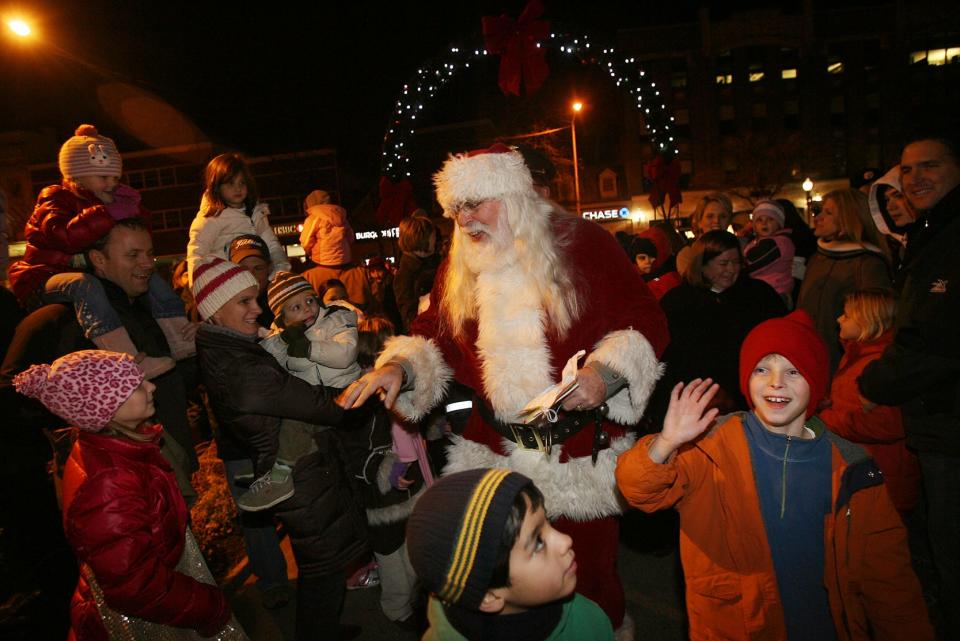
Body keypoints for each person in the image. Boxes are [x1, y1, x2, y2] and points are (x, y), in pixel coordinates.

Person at [343, 143, 669, 637]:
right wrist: (401, 368)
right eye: (456, 208)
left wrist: (606, 373)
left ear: (513, 194)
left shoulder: (583, 243)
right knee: (500, 585)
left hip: (577, 456)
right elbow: (435, 332)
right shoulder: (460, 265)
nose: (465, 219)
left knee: (588, 578)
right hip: (492, 455)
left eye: (476, 203)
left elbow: (645, 320)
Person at [615, 311, 933, 641]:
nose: (775, 382)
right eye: (761, 369)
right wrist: (666, 443)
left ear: (816, 382)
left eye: (793, 371)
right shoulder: (709, 447)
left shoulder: (853, 466)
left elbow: (890, 580)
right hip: (735, 630)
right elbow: (637, 489)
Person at [13, 350, 246, 640]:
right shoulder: (108, 483)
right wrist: (208, 606)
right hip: (150, 618)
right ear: (104, 406)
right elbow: (135, 583)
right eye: (136, 386)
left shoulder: (122, 451)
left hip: (166, 594)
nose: (151, 387)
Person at [192, 257, 368, 641]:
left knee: (321, 561)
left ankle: (322, 630)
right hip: (300, 474)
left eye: (255, 299)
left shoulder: (234, 350)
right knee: (323, 563)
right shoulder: (241, 367)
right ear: (215, 312)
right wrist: (359, 397)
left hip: (302, 468)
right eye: (244, 302)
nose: (257, 310)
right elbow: (315, 404)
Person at [859, 134, 960, 637]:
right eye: (907, 170)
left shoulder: (949, 238)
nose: (916, 178)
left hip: (949, 419)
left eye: (930, 166)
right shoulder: (930, 234)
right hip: (934, 419)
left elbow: (939, 341)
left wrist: (874, 381)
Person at [7, 124, 193, 378]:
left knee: (154, 280)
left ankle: (181, 339)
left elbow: (134, 231)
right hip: (43, 277)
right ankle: (125, 360)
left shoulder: (102, 203)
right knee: (84, 286)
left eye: (116, 178)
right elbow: (62, 237)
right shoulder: (55, 198)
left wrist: (133, 207)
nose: (111, 184)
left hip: (77, 273)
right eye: (103, 178)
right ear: (77, 176)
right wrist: (102, 214)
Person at [406, 468, 614, 641]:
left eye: (547, 521)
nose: (565, 540)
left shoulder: (587, 618)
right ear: (490, 596)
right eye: (538, 543)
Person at [237, 271, 363, 512]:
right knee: (281, 413)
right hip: (317, 399)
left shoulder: (336, 319)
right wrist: (283, 339)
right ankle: (273, 465)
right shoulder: (285, 334)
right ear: (282, 318)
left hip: (346, 391)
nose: (307, 309)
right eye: (295, 307)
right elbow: (273, 362)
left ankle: (281, 475)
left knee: (296, 422)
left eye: (309, 301)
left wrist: (308, 348)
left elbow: (346, 354)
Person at [352, 314, 432, 627]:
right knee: (393, 552)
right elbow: (393, 438)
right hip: (389, 488)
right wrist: (399, 465)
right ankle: (398, 608)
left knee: (402, 548)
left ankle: (405, 600)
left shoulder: (369, 387)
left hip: (394, 484)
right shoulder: (374, 391)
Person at [654, 230, 785, 417]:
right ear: (703, 265)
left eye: (736, 262)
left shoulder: (759, 296)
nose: (731, 270)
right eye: (723, 263)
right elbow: (668, 362)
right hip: (695, 404)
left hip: (750, 401)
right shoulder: (678, 302)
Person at [818, 288, 919, 515]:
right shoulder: (857, 354)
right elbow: (853, 401)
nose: (838, 319)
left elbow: (888, 423)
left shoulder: (882, 366)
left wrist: (828, 419)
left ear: (867, 322)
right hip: (865, 468)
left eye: (846, 315)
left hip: (884, 476)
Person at [797, 188, 891, 374]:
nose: (818, 217)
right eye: (821, 210)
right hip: (809, 356)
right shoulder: (818, 258)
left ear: (849, 219)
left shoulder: (866, 263)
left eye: (829, 213)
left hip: (844, 364)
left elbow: (875, 324)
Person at [186, 152, 290, 285]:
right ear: (216, 186)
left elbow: (272, 244)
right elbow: (197, 253)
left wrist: (280, 269)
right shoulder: (211, 217)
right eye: (230, 183)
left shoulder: (256, 213)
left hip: (258, 281)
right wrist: (198, 287)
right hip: (226, 285)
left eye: (242, 182)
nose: (238, 188)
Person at [300, 189, 374, 311]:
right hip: (345, 259)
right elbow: (351, 237)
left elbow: (306, 241)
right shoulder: (341, 216)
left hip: (322, 260)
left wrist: (311, 252)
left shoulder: (313, 217)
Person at [743, 200, 796, 307]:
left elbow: (751, 263)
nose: (764, 223)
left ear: (779, 223)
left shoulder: (778, 242)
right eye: (759, 220)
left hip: (775, 293)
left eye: (770, 219)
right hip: (763, 292)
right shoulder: (755, 243)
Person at [394, 212, 440, 332]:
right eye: (432, 235)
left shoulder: (434, 263)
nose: (435, 239)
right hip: (426, 333)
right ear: (421, 237)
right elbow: (409, 316)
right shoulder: (406, 275)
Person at [675, 192, 733, 275]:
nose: (716, 221)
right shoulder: (688, 255)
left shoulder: (741, 247)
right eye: (710, 216)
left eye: (723, 216)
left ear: (729, 221)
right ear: (699, 222)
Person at [228, 233, 275, 328]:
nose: (251, 276)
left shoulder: (282, 302)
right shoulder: (217, 306)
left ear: (269, 268)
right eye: (243, 270)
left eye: (258, 268)